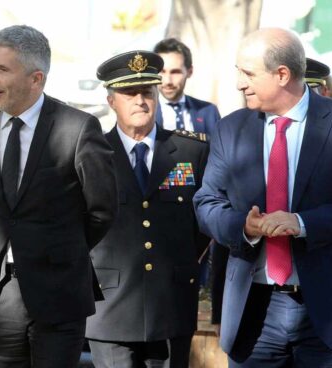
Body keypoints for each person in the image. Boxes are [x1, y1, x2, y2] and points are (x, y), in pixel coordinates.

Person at [193, 27, 332, 366]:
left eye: (248, 73)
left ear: (282, 74)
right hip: (254, 312)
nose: (240, 83)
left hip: (328, 313)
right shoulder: (230, 128)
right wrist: (244, 226)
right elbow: (207, 203)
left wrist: (301, 223)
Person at [0, 25, 118, 367]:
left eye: (2, 69)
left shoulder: (77, 128)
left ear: (36, 78)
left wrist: (60, 250)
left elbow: (102, 210)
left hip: (58, 295)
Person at [86, 50, 210, 368]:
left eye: (147, 92)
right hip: (110, 304)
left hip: (171, 302)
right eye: (129, 93)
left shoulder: (191, 151)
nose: (140, 100)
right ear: (112, 100)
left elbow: (204, 223)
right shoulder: (92, 153)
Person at [153, 38, 220, 136]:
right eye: (162, 72)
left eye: (175, 72)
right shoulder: (144, 112)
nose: (168, 81)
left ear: (189, 72)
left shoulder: (208, 111)